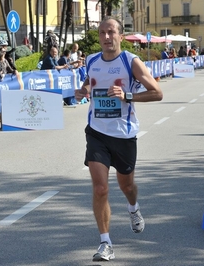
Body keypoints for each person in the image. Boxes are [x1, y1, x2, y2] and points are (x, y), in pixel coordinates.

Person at [77, 16, 163, 261]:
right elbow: (89, 82)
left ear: (120, 35)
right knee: (100, 187)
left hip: (124, 135)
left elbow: (157, 93)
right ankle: (105, 242)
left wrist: (127, 95)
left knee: (127, 187)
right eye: (102, 33)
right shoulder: (91, 60)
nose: (106, 37)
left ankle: (133, 208)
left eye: (111, 32)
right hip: (96, 132)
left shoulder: (130, 61)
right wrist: (84, 90)